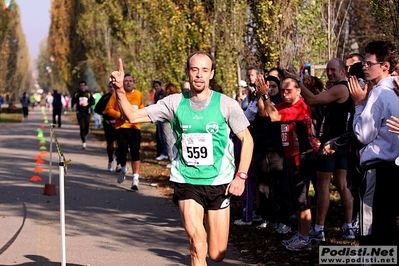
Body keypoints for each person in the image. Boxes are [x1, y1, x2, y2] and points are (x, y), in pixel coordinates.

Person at [109, 52, 253, 265]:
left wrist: (240, 176)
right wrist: (120, 90)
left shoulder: (226, 104)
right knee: (197, 244)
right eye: (194, 70)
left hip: (218, 183)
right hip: (187, 180)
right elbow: (132, 116)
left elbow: (247, 140)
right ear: (187, 73)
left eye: (204, 70)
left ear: (211, 74)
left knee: (217, 253)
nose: (199, 75)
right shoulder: (174, 103)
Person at [286, 58, 355, 241]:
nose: (330, 73)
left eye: (333, 70)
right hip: (340, 143)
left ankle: (319, 229)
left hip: (331, 145)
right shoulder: (339, 87)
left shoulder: (341, 88)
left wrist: (299, 82)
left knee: (324, 185)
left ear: (342, 71)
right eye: (328, 70)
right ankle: (348, 227)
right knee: (342, 185)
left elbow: (314, 101)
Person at [348, 40, 399, 258]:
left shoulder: (379, 93)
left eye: (369, 63)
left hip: (378, 168)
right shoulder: (397, 90)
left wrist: (359, 104)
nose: (365, 67)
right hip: (393, 168)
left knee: (370, 224)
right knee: (388, 223)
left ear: (385, 66)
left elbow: (363, 134)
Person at [257, 76, 315, 251]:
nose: (284, 94)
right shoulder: (286, 104)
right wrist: (262, 95)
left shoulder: (299, 107)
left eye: (288, 90)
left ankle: (305, 238)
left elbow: (274, 117)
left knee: (302, 199)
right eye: (282, 90)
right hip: (290, 157)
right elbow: (264, 113)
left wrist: (266, 96)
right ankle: (300, 234)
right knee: (297, 200)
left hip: (302, 158)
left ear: (298, 90)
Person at [104, 73, 144, 190]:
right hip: (121, 127)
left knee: (135, 152)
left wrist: (141, 115)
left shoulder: (138, 94)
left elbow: (141, 108)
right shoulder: (117, 95)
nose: (128, 83)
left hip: (134, 127)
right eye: (126, 81)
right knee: (122, 152)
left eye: (130, 81)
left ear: (133, 82)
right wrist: (119, 115)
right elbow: (108, 109)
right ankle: (123, 168)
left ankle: (135, 179)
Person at [94, 82, 121, 172]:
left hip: (119, 123)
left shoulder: (120, 97)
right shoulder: (105, 97)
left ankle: (119, 163)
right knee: (110, 143)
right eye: (110, 87)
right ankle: (110, 160)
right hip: (108, 123)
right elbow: (96, 109)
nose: (112, 88)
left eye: (113, 87)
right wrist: (103, 112)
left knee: (119, 143)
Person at [71, 80, 95, 149]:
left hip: (87, 112)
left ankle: (84, 135)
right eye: (81, 86)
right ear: (79, 86)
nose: (82, 87)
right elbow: (73, 100)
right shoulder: (76, 94)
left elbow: (93, 101)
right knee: (82, 127)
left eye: (83, 85)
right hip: (79, 112)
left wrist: (88, 104)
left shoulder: (88, 93)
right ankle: (84, 143)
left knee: (86, 127)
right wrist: (73, 107)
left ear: (85, 86)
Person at [163, 83, 180, 169]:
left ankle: (172, 161)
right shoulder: (179, 98)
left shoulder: (166, 99)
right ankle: (179, 160)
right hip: (178, 121)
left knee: (170, 142)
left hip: (168, 121)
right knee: (178, 140)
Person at [152, 80, 168, 161]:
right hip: (158, 117)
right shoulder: (156, 94)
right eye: (155, 86)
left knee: (163, 136)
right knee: (159, 136)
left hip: (163, 117)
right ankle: (162, 152)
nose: (156, 88)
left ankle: (165, 153)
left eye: (157, 86)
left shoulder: (162, 94)